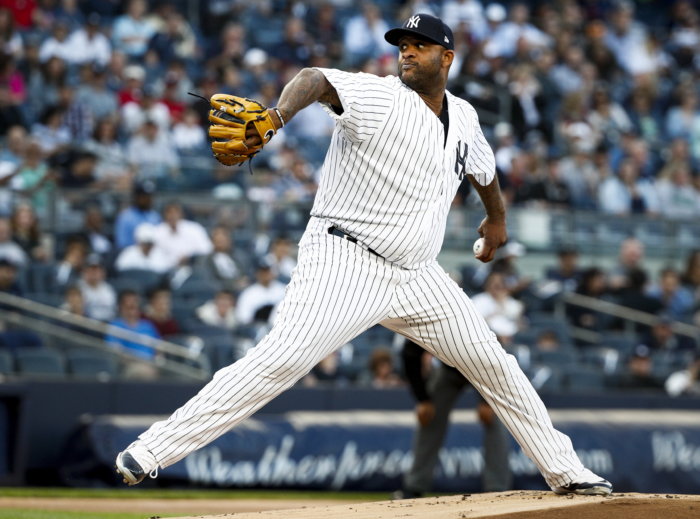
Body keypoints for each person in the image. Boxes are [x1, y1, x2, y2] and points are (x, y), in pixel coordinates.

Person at [116, 13, 612, 496]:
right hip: (346, 259)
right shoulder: (381, 96)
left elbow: (483, 169)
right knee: (279, 361)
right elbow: (315, 79)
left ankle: (566, 471)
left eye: (419, 45)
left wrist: (497, 219)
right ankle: (152, 450)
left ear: (448, 57)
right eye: (402, 44)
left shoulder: (463, 115)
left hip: (418, 275)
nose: (407, 51)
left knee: (496, 366)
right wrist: (276, 116)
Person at [395, 339, 512, 498]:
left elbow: (494, 359)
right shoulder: (421, 324)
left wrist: (487, 402)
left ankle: (498, 489)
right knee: (429, 416)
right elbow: (410, 356)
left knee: (495, 417)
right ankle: (414, 486)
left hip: (484, 367)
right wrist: (423, 400)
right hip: (449, 369)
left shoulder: (465, 323)